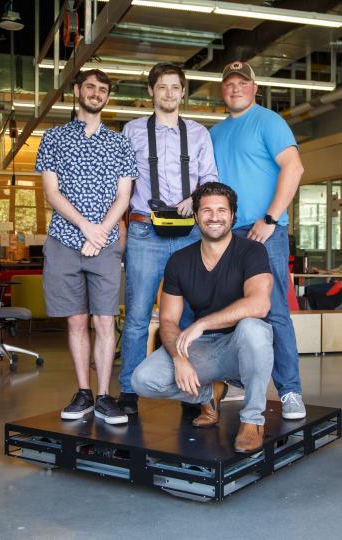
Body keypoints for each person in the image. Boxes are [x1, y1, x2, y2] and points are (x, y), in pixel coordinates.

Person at [131, 183, 274, 453]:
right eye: (206, 210)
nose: (214, 217)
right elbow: (169, 321)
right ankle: (210, 394)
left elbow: (260, 304)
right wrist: (178, 358)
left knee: (254, 329)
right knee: (143, 380)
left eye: (222, 210)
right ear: (195, 216)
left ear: (233, 215)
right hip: (204, 349)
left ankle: (252, 420)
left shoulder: (252, 251)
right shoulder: (179, 261)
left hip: (240, 345)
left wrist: (202, 323)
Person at [35, 69, 137, 425]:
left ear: (107, 97)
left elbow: (124, 196)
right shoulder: (53, 138)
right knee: (77, 321)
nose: (96, 93)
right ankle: (83, 392)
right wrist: (85, 228)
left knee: (105, 320)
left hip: (106, 246)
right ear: (77, 90)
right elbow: (51, 192)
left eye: (103, 89)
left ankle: (106, 395)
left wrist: (101, 233)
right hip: (65, 241)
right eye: (90, 87)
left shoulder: (120, 142)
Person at [117, 63, 219, 415]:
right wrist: (120, 229)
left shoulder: (199, 133)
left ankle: (191, 392)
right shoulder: (131, 131)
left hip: (189, 232)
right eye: (162, 87)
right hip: (145, 230)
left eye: (176, 87)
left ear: (183, 92)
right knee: (138, 317)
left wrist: (197, 197)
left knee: (189, 316)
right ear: (151, 91)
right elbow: (122, 186)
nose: (169, 93)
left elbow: (210, 178)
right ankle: (128, 390)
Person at [209, 60, 306, 420]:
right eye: (229, 83)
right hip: (226, 235)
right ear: (223, 89)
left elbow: (294, 168)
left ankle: (290, 390)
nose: (235, 88)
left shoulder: (268, 121)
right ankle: (237, 380)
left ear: (255, 88)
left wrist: (271, 218)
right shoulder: (215, 133)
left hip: (264, 230)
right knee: (230, 310)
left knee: (274, 309)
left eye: (242, 83)